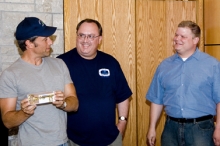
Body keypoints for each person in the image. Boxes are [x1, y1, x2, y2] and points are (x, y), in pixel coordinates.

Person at [0, 17, 79, 146]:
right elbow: (8, 121)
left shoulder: (59, 65)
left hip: (63, 142)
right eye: (45, 39)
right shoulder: (10, 75)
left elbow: (74, 104)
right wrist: (24, 112)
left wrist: (64, 103)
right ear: (29, 44)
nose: (50, 42)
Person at [57, 18, 132, 146]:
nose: (85, 40)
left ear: (100, 39)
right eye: (81, 35)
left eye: (91, 36)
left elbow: (123, 96)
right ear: (77, 36)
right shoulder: (61, 63)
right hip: (74, 140)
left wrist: (122, 121)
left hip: (110, 140)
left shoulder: (111, 63)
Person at [146, 20, 220, 146]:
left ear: (195, 40)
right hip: (171, 128)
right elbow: (156, 99)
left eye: (183, 36)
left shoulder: (212, 65)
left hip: (201, 130)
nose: (177, 39)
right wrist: (152, 127)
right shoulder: (164, 65)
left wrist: (218, 128)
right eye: (176, 35)